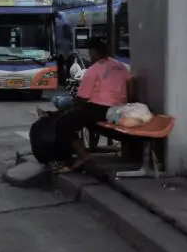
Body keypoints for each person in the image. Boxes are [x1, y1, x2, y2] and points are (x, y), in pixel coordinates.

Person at [55, 37, 132, 168]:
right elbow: (132, 86)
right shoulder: (121, 67)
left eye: (90, 52)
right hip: (120, 109)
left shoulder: (92, 71)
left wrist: (69, 108)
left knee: (63, 121)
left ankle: (84, 156)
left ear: (94, 52)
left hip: (100, 110)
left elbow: (82, 99)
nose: (90, 55)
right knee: (74, 114)